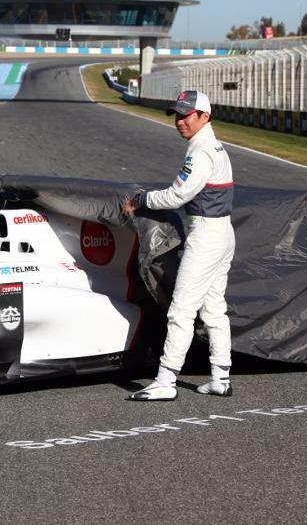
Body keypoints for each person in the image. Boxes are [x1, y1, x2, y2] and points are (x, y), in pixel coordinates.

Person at [122, 90, 235, 400]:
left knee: (181, 311)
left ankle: (165, 381)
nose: (180, 121)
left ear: (204, 116)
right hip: (222, 233)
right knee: (213, 310)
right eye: (177, 115)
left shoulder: (200, 153)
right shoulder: (215, 146)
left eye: (186, 115)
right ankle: (221, 378)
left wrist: (141, 199)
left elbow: (176, 196)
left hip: (207, 236)